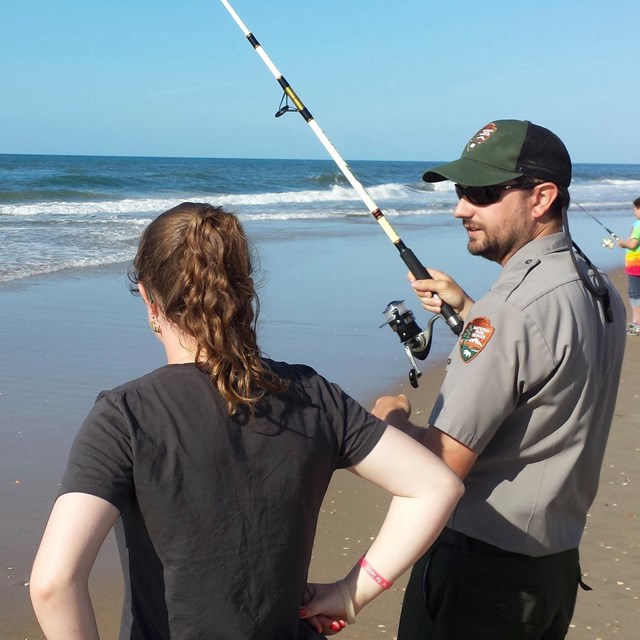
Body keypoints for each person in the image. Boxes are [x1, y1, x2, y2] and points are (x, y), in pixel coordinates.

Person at [29, 202, 463, 640]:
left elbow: (54, 583)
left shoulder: (128, 415)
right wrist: (353, 592)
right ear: (243, 287)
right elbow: (435, 485)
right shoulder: (312, 394)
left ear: (148, 295)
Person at [372, 120, 626, 639]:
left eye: (483, 194)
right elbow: (549, 376)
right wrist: (468, 307)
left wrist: (386, 421)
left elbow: (439, 466)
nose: (461, 208)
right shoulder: (599, 289)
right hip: (552, 571)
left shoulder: (509, 312)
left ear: (541, 198)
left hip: (483, 579)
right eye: (462, 191)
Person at [617, 197, 640, 335]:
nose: (634, 211)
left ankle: (637, 323)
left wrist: (622, 243)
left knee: (635, 295)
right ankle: (635, 321)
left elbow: (632, 245)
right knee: (635, 294)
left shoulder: (638, 225)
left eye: (635, 208)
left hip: (635, 266)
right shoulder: (636, 224)